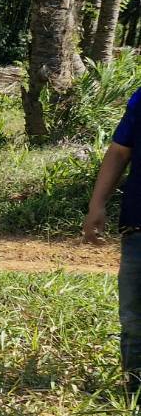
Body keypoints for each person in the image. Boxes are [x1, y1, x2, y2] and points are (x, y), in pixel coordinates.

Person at [83, 85, 141, 398]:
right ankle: (134, 395)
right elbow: (120, 151)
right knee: (134, 320)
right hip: (138, 226)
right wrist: (97, 204)